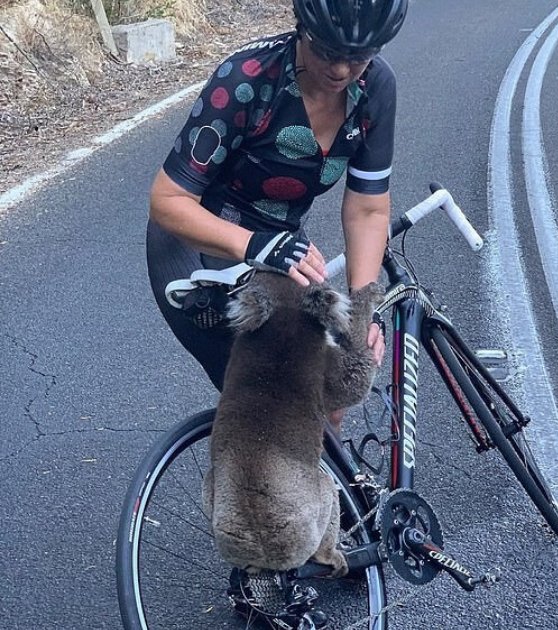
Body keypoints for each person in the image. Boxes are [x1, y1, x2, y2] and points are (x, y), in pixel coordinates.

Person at [145, 0, 407, 626]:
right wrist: (249, 243)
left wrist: (360, 311)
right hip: (199, 248)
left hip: (277, 259)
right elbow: (167, 200)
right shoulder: (246, 81)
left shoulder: (376, 88)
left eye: (359, 55)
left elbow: (368, 209)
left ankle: (308, 524)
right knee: (264, 406)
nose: (343, 69)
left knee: (329, 388)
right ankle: (260, 573)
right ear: (301, 29)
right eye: (328, 52)